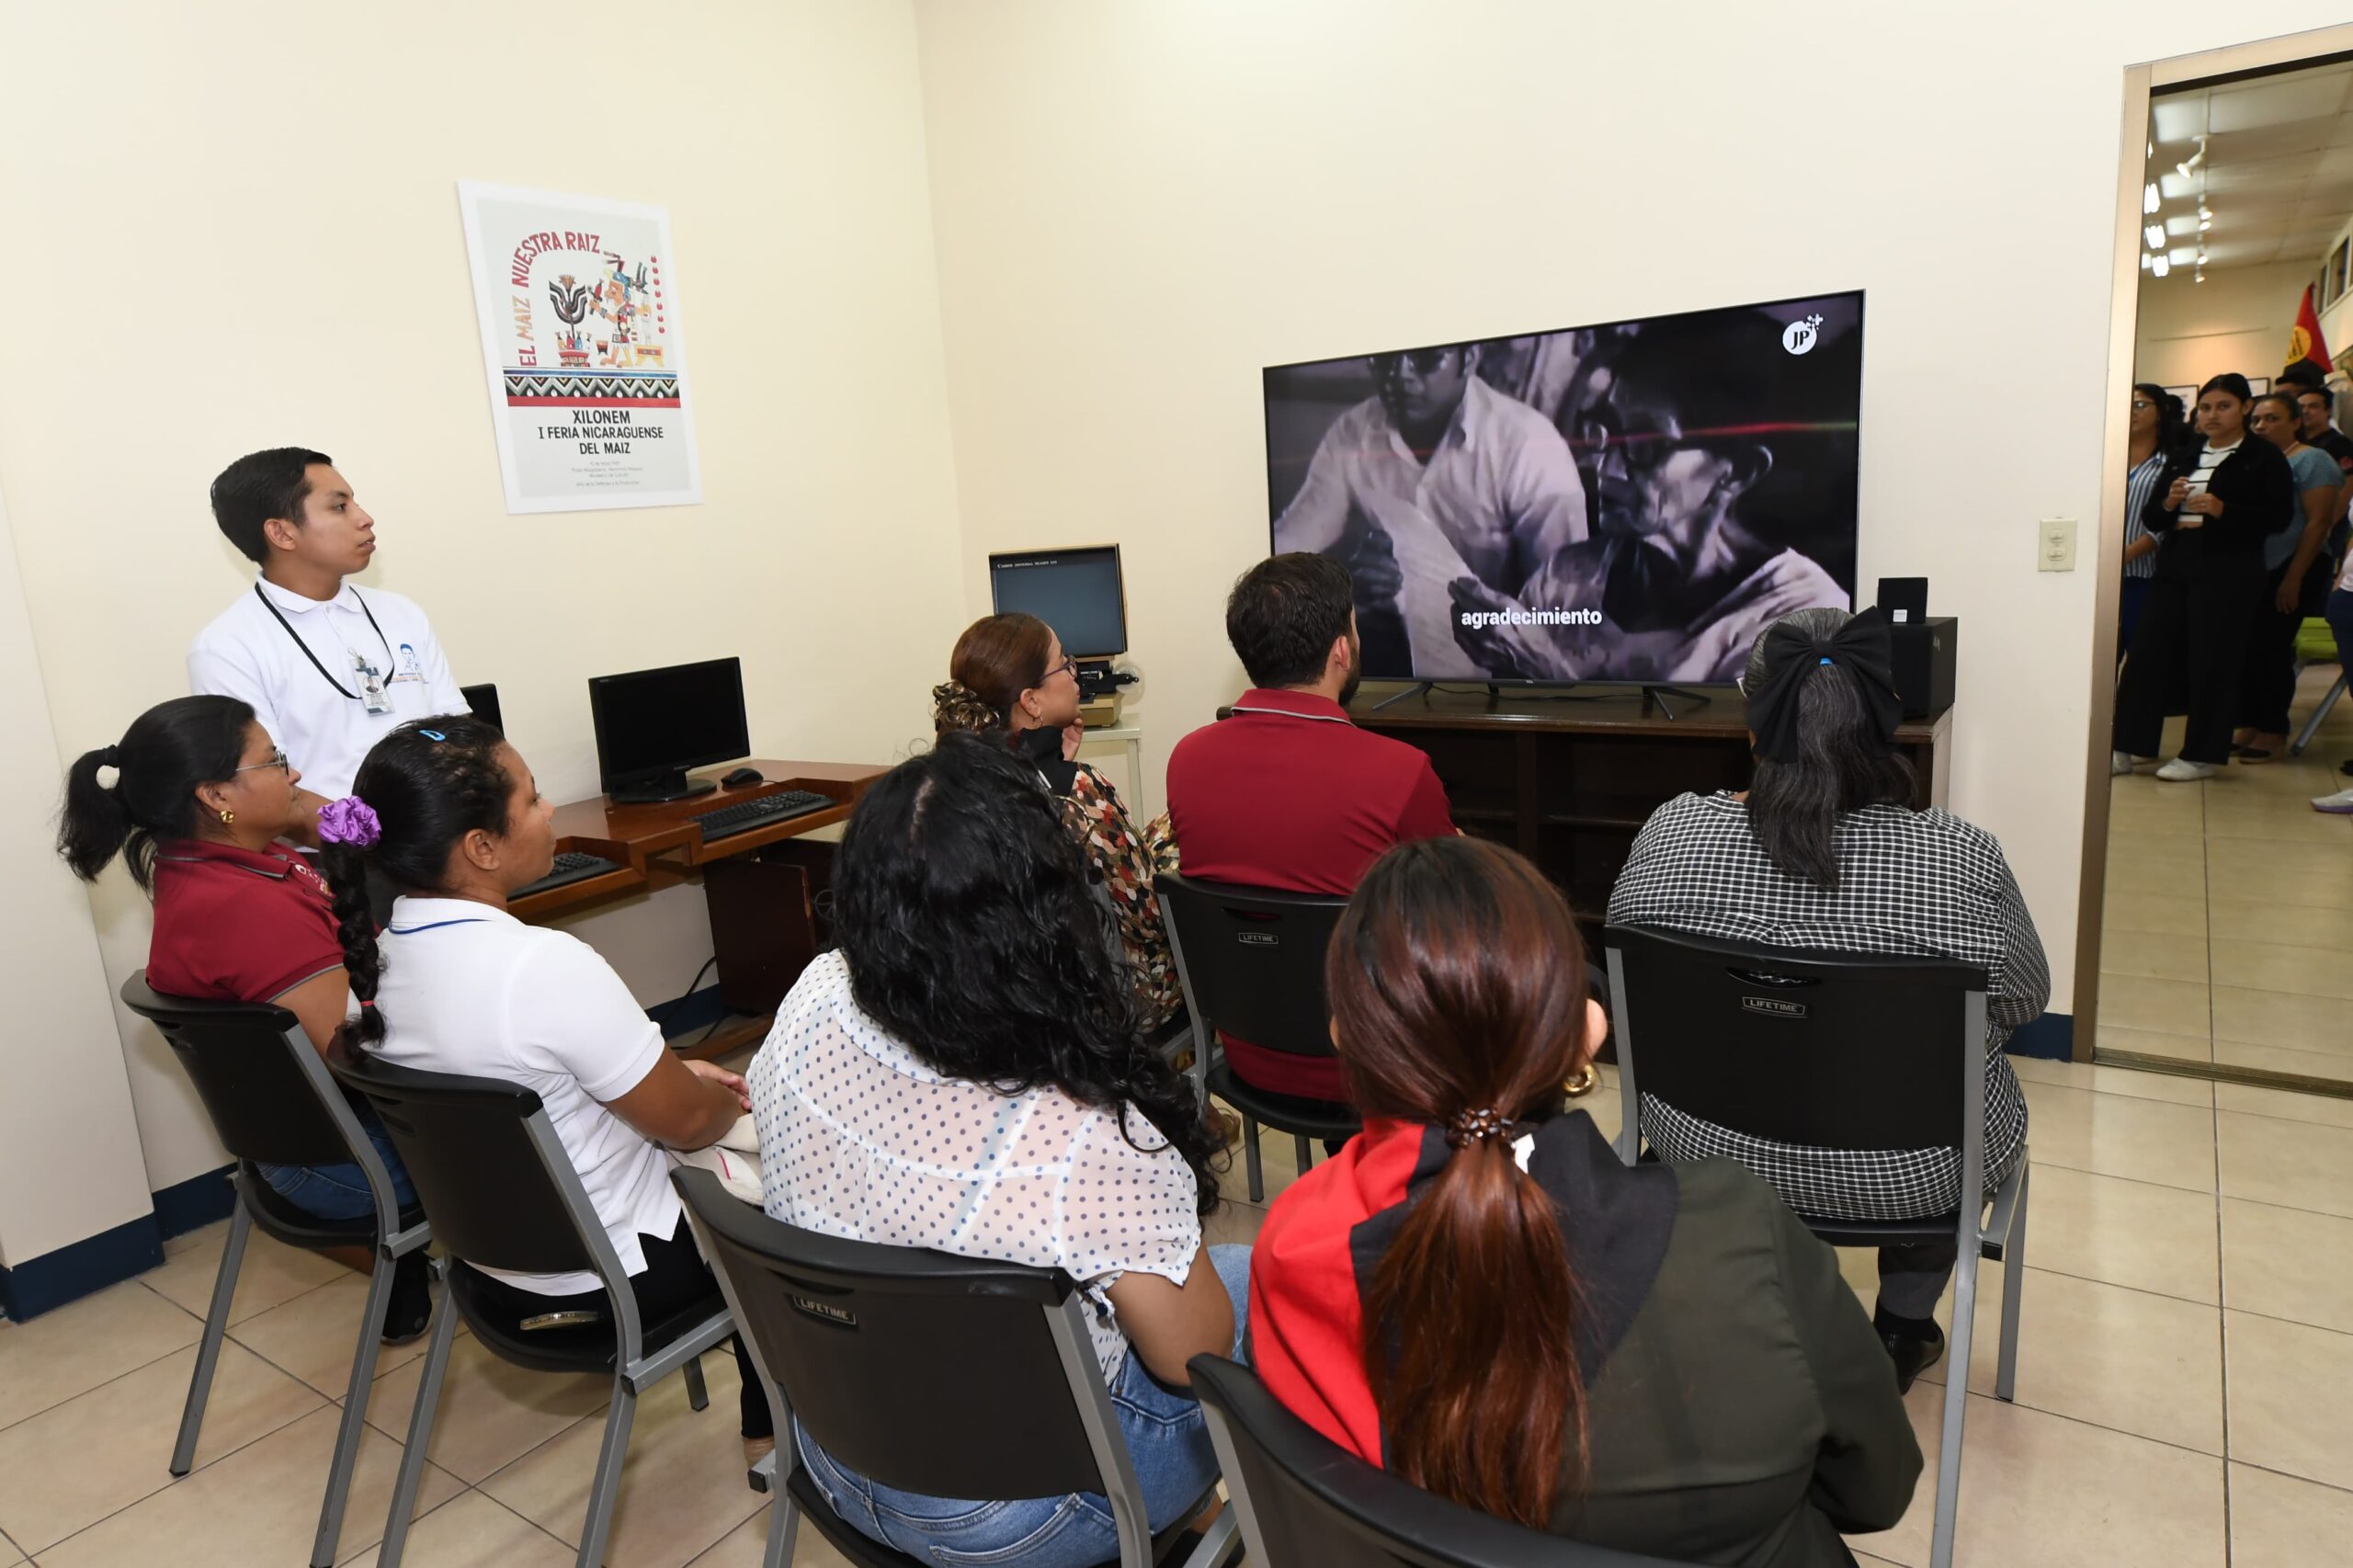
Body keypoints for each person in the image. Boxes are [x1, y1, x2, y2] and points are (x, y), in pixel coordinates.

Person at [1249, 835, 1919, 1563]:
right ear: (1587, 1035)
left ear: (1346, 1039)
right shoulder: (1740, 1234)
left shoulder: (1294, 1250)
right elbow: (1876, 1491)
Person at [747, 734, 1241, 1568]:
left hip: (832, 1448)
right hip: (1012, 1518)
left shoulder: (811, 999)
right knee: (1258, 1286)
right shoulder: (1084, 1132)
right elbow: (1196, 1359)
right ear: (1046, 916)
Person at [1609, 608, 2048, 1391]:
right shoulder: (1961, 860)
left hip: (1702, 1153)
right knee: (1958, 1094)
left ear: (1752, 718)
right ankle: (1902, 1329)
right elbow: (2023, 1002)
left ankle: (1747, 1305)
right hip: (1916, 1174)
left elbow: (1632, 993)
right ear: (1886, 718)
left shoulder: (1670, 835)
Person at [315, 715, 773, 1461]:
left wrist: (662, 1073)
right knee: (796, 1192)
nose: (550, 808)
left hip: (490, 1275)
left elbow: (526, 1083)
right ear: (482, 847)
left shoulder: (370, 979)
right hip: (622, 1280)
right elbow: (691, 1123)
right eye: (530, 798)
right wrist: (736, 1101)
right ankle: (772, 1434)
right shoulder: (543, 966)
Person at [57, 695, 430, 1340]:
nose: (294, 773)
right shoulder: (247, 910)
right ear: (214, 795)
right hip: (348, 1166)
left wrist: (331, 816)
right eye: (274, 760)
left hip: (299, 1146)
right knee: (552, 1108)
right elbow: (361, 1053)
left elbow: (322, 818)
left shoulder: (203, 863)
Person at [1165, 553, 1456, 1103]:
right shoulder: (1400, 771)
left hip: (1248, 1054)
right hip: (1373, 1064)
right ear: (1341, 650)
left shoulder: (1186, 760)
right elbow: (1451, 906)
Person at [1453, 313, 1853, 684]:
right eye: (1606, 427)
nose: (1604, 466)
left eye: (1646, 443)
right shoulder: (1566, 576)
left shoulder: (1802, 615)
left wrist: (1544, 670)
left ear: (1738, 471)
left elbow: (1738, 739)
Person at [1272, 342, 1588, 677]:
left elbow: (1569, 613)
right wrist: (1347, 586)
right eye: (1385, 358)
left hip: (1505, 677)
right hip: (1390, 671)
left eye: (1426, 359)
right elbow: (1293, 538)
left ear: (1468, 359)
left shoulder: (1526, 444)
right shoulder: (1353, 432)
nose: (1400, 374)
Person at [931, 612, 1179, 1028]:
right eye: (1064, 663)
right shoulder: (1076, 792)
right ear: (1031, 701)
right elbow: (1151, 917)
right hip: (1103, 999)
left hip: (1007, 1000)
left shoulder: (953, 783)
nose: (1074, 673)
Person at [189, 449, 467, 802]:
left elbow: (458, 734)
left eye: (354, 502)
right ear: (282, 533)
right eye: (339, 507)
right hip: (327, 837)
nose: (365, 518)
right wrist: (367, 829)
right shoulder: (225, 648)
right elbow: (267, 791)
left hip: (438, 824)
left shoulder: (402, 613)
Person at [2113, 374, 2296, 781]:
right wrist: (2170, 501)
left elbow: (2279, 518)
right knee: (2145, 655)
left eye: (2223, 406)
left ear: (2245, 408)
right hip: (2176, 565)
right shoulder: (2186, 454)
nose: (2212, 415)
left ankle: (2201, 754)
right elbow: (2153, 517)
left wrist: (2223, 510)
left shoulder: (2263, 457)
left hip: (2229, 570)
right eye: (2207, 407)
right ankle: (2128, 745)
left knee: (2212, 661)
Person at [2234, 392, 2344, 762]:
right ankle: (2251, 722)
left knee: (2272, 647)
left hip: (2297, 564)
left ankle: (2273, 729)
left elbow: (2319, 522)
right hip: (2255, 567)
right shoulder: (2257, 461)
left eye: (2273, 418)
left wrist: (2294, 577)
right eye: (2257, 420)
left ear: (2296, 422)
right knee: (2249, 647)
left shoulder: (2313, 460)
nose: (2262, 426)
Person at [2119, 383, 2187, 659]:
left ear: (2160, 412)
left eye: (2140, 405)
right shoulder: (2109, 459)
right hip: (2103, 575)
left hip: (2143, 577)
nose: (2132, 411)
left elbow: (2168, 521)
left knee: (2142, 658)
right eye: (2127, 404)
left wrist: (2124, 555)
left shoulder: (2170, 463)